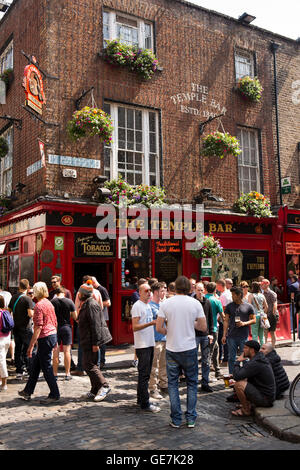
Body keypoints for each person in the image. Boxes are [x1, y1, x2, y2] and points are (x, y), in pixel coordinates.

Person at [157, 276, 207, 428]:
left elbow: (159, 328)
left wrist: (170, 331)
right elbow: (203, 327)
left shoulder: (166, 303)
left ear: (175, 287)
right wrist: (191, 323)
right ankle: (191, 418)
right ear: (189, 288)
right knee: (192, 383)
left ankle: (176, 419)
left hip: (172, 348)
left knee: (173, 384)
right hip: (189, 348)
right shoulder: (195, 303)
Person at [18, 282, 60, 404]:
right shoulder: (49, 303)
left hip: (45, 337)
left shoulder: (39, 306)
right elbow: (54, 321)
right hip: (51, 335)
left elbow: (38, 327)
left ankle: (54, 394)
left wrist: (31, 346)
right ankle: (28, 390)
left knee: (46, 367)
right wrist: (55, 339)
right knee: (36, 366)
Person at [77, 280, 111, 402]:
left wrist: (95, 344)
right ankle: (94, 389)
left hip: (92, 340)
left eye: (79, 293)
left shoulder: (91, 305)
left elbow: (95, 325)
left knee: (90, 365)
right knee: (88, 364)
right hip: (87, 339)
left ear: (82, 294)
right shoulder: (87, 303)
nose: (78, 294)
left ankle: (104, 386)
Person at [131, 283, 160, 413]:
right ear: (140, 292)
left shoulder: (147, 305)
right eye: (146, 291)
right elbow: (135, 327)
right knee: (144, 374)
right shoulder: (137, 306)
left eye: (150, 291)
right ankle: (145, 403)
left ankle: (140, 399)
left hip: (149, 343)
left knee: (145, 374)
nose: (149, 293)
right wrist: (151, 323)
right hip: (142, 344)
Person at [231, 340, 276, 417]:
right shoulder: (257, 359)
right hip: (266, 395)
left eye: (245, 348)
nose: (243, 350)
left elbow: (237, 376)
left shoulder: (256, 362)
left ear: (251, 350)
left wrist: (238, 361)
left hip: (266, 399)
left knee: (239, 384)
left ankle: (246, 410)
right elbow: (242, 373)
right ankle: (247, 404)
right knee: (242, 380)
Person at [222, 286, 256, 374]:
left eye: (233, 295)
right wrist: (224, 335)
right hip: (231, 336)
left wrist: (244, 323)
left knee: (245, 358)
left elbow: (254, 320)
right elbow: (226, 321)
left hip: (243, 336)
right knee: (231, 358)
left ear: (239, 295)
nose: (232, 297)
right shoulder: (229, 306)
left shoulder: (248, 306)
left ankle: (245, 376)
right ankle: (232, 376)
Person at [8, 279, 34, 380]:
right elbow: (30, 314)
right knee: (28, 349)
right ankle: (29, 369)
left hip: (16, 327)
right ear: (27, 287)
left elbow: (9, 310)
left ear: (19, 286)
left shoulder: (14, 297)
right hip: (26, 328)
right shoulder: (28, 299)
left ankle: (19, 371)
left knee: (18, 349)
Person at [51, 287, 77, 380]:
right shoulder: (69, 302)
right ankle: (67, 373)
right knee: (67, 351)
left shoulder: (52, 302)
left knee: (55, 351)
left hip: (55, 328)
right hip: (66, 328)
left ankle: (54, 374)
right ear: (64, 293)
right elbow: (75, 316)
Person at [194, 282, 214, 393]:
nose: (200, 292)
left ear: (204, 290)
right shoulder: (191, 302)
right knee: (193, 360)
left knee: (206, 360)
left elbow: (211, 318)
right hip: (194, 335)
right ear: (195, 290)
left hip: (205, 335)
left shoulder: (208, 302)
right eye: (198, 290)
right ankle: (193, 382)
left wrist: (211, 333)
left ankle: (205, 382)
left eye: (202, 290)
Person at [149, 282, 167, 399]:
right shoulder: (151, 306)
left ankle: (164, 384)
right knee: (154, 366)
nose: (164, 292)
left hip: (164, 338)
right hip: (155, 339)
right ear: (156, 292)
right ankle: (153, 388)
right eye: (162, 290)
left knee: (164, 365)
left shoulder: (163, 304)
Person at [91, 276, 111, 370]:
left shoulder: (102, 289)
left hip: (102, 317)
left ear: (93, 283)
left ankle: (102, 361)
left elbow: (108, 303)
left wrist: (96, 304)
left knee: (101, 339)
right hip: (96, 318)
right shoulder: (95, 290)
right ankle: (97, 361)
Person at [205, 282, 223, 380]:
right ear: (215, 290)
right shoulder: (216, 300)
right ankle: (206, 375)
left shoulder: (203, 299)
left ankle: (217, 370)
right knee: (210, 351)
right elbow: (222, 315)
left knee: (215, 348)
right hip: (214, 328)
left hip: (204, 328)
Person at [216, 279, 231, 367]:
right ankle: (224, 358)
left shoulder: (224, 295)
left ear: (221, 285)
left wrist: (218, 318)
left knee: (223, 339)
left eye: (217, 286)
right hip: (227, 319)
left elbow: (224, 308)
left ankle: (225, 359)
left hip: (224, 320)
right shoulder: (227, 293)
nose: (217, 288)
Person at [248, 281, 268, 345]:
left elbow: (249, 307)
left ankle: (255, 350)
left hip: (254, 316)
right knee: (261, 335)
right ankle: (263, 349)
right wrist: (263, 312)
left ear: (252, 287)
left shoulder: (251, 295)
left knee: (254, 335)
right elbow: (266, 307)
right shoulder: (262, 295)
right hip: (262, 316)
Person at [0, 296, 12, 391]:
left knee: (1, 361)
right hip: (7, 338)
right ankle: (1, 380)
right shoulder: (6, 312)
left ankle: (4, 383)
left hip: (0, 340)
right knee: (2, 360)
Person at [261, 279, 278, 348]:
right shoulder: (262, 294)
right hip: (265, 315)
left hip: (271, 315)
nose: (262, 285)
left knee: (272, 332)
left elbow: (275, 304)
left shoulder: (271, 293)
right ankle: (265, 347)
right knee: (265, 332)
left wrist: (273, 314)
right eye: (261, 284)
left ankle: (273, 347)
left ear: (267, 284)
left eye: (263, 284)